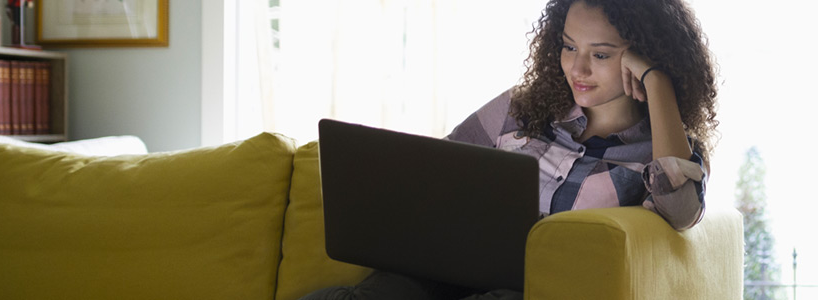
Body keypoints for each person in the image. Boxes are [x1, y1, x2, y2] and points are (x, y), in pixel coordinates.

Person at [303, 0, 718, 298]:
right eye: (570, 46)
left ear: (645, 57)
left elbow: (681, 212)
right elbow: (438, 173)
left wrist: (657, 83)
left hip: (533, 290)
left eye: (602, 54)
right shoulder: (519, 109)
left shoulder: (662, 150)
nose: (578, 68)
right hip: (446, 269)